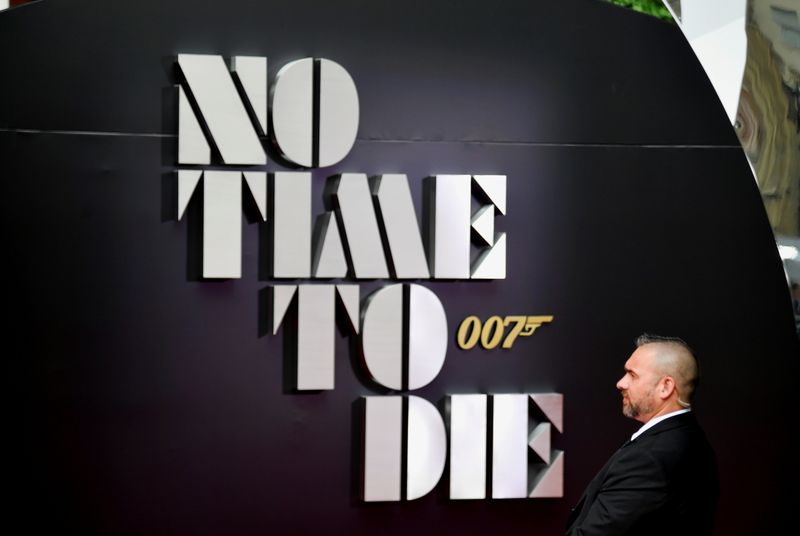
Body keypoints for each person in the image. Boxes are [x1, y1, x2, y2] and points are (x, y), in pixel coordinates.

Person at [565, 334, 719, 535]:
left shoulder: (649, 459)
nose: (621, 383)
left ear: (665, 387)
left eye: (632, 375)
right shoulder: (689, 438)